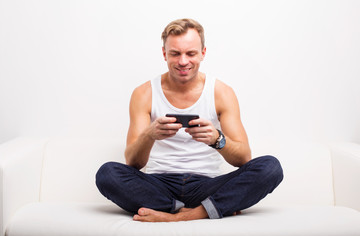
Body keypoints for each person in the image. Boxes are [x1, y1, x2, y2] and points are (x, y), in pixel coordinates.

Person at [96, 18, 283, 222]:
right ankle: (206, 209)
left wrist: (217, 139)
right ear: (164, 54)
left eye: (191, 53)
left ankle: (184, 215)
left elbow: (244, 159)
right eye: (175, 53)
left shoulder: (222, 92)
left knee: (270, 168)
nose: (183, 61)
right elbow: (133, 163)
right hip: (159, 185)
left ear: (203, 53)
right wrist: (150, 135)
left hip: (206, 185)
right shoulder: (144, 93)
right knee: (107, 174)